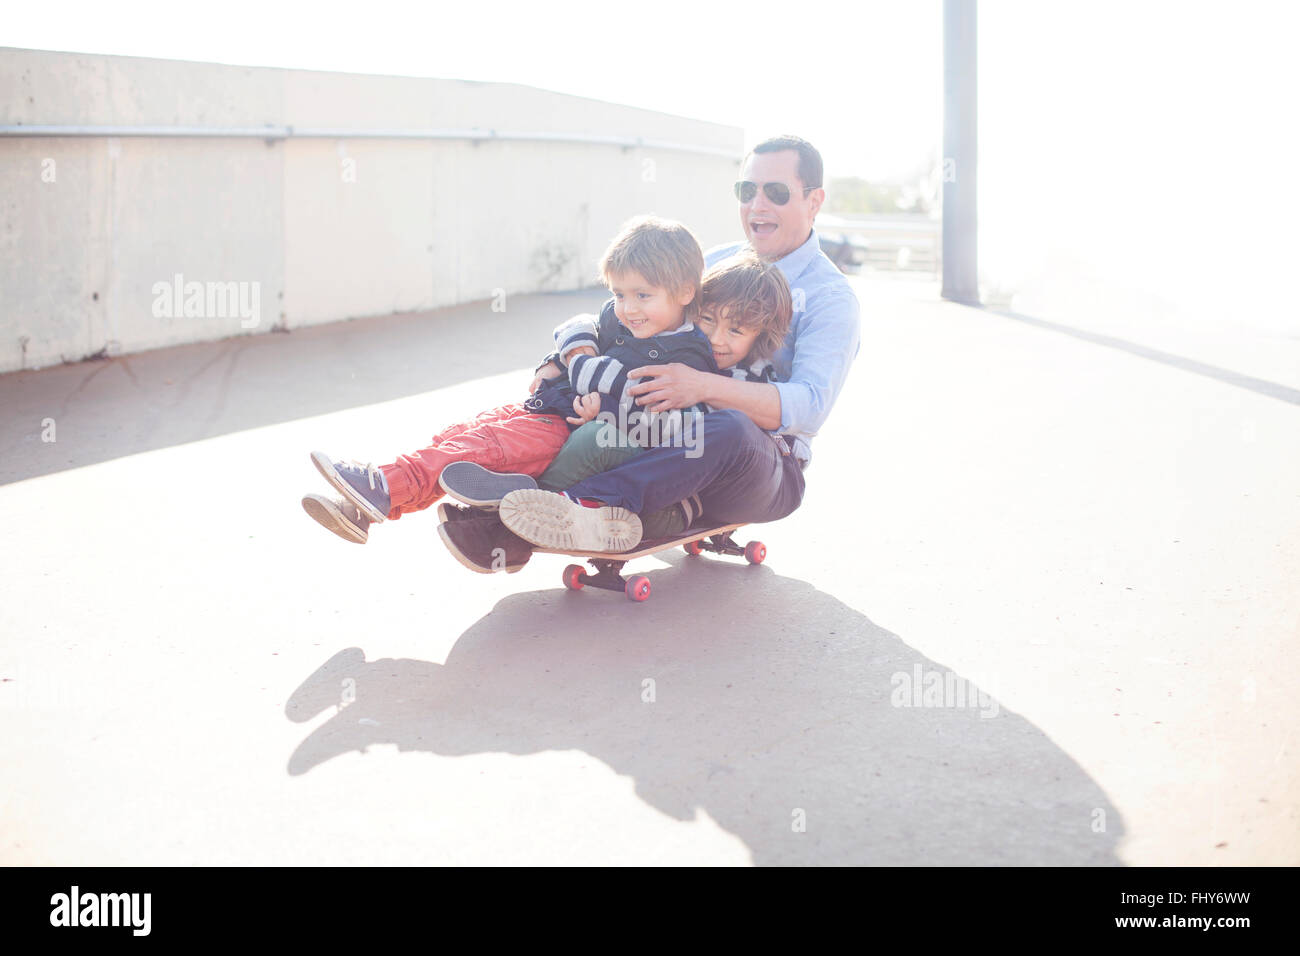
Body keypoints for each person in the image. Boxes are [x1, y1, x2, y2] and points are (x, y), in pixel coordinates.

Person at [453, 134, 861, 556]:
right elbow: (629, 313)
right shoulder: (716, 261)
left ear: (815, 201)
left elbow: (810, 405)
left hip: (758, 466)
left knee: (729, 428)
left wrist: (702, 386)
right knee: (590, 406)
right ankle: (508, 509)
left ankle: (581, 502)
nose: (757, 205)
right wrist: (563, 357)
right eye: (746, 190)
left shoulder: (831, 299)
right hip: (662, 431)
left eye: (776, 192)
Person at [300, 215, 714, 553]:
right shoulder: (616, 316)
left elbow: (658, 423)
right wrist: (557, 359)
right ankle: (372, 507)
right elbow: (582, 331)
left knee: (482, 449)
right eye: (619, 294)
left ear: (682, 291)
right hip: (545, 408)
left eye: (642, 296)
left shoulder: (688, 359)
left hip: (568, 430)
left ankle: (385, 484)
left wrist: (590, 384)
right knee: (461, 436)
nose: (627, 309)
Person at [436, 249, 794, 557]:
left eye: (735, 331)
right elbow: (605, 323)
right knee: (592, 436)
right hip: (645, 463)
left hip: (692, 493)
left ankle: (528, 516)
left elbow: (685, 435)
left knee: (621, 434)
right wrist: (562, 359)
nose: (716, 339)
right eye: (708, 320)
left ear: (760, 338)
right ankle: (517, 507)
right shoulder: (683, 344)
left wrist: (613, 410)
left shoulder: (749, 380)